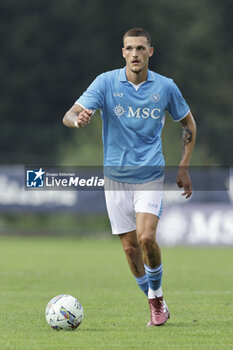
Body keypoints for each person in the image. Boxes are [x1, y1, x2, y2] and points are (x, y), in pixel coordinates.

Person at [63, 27, 196, 326]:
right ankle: (152, 299)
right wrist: (77, 120)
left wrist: (184, 165)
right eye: (129, 48)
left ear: (150, 52)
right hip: (115, 178)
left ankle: (157, 298)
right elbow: (70, 113)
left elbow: (188, 123)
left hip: (149, 174)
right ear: (122, 52)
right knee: (129, 247)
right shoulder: (106, 83)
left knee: (146, 237)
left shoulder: (165, 87)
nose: (134, 54)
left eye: (140, 48)